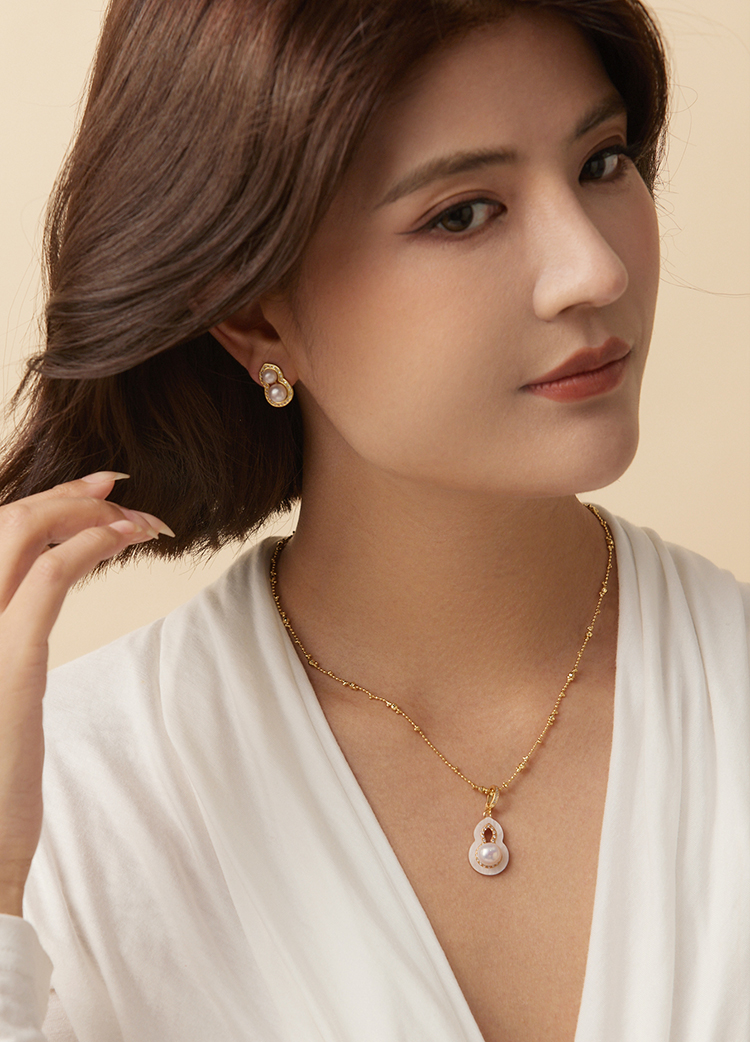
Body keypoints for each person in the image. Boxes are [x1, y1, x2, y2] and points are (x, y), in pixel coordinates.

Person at [0, 0, 747, 1039]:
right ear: (255, 314)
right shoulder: (67, 805)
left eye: (601, 162)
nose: (596, 269)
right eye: (464, 213)